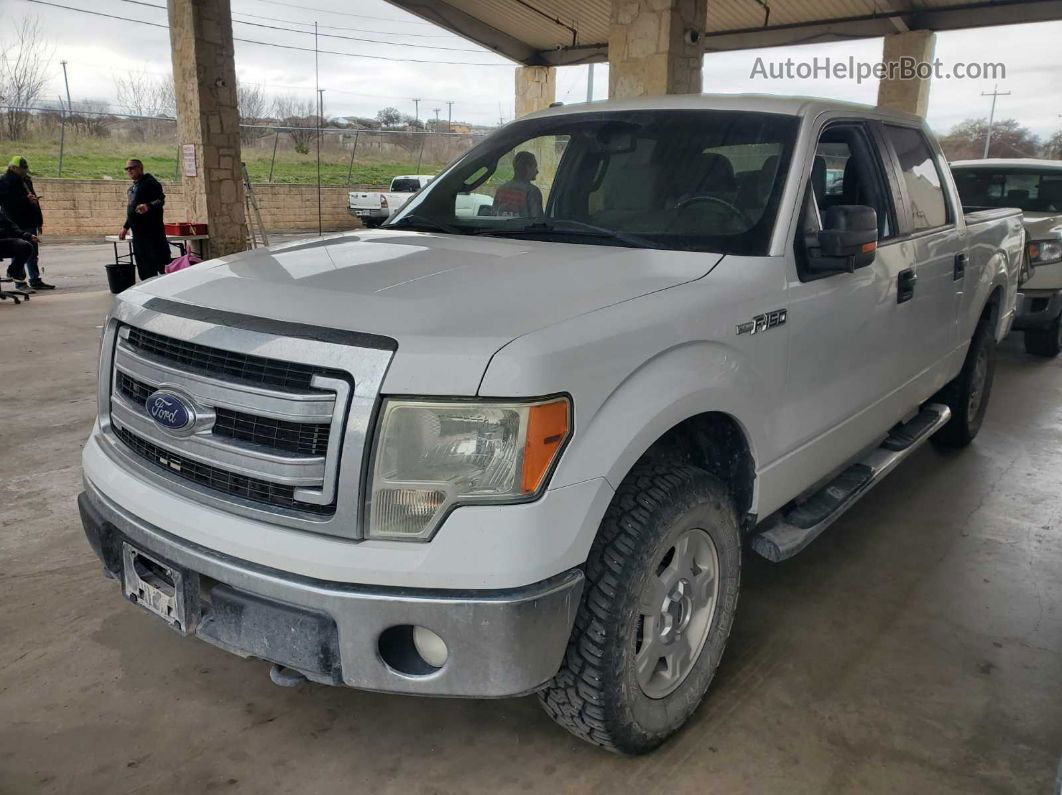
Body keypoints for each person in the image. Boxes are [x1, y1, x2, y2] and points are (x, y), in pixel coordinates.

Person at [0, 155, 54, 290]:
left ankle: (35, 279)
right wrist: (25, 200)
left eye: (25, 169)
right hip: (15, 222)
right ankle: (19, 281)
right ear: (13, 168)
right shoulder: (5, 182)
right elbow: (7, 204)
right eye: (21, 169)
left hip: (30, 220)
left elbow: (33, 200)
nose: (24, 172)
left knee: (32, 252)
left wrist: (39, 220)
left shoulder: (26, 180)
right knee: (19, 249)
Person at [118, 159, 170, 280]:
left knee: (160, 265)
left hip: (153, 234)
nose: (129, 171)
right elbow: (132, 211)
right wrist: (125, 227)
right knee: (144, 267)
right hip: (139, 235)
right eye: (127, 169)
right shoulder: (133, 188)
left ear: (140, 168)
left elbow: (160, 200)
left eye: (132, 168)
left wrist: (148, 206)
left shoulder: (150, 183)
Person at [492, 151, 544, 218]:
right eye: (535, 167)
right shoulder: (532, 191)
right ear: (527, 167)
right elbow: (537, 221)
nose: (537, 171)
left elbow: (494, 216)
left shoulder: (501, 190)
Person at [0, 204, 38, 286]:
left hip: (3, 242)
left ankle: (13, 272)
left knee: (25, 246)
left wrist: (27, 235)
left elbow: (12, 227)